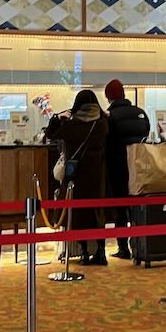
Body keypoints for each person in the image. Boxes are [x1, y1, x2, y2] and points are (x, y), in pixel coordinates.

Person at [44, 90, 109, 265]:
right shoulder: (103, 123)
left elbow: (50, 134)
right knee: (97, 213)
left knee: (78, 212)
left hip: (76, 174)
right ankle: (101, 251)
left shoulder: (72, 124)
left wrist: (57, 117)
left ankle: (85, 252)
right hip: (97, 175)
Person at [103, 79, 150, 261]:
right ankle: (139, 244)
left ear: (109, 97)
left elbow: (107, 142)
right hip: (139, 167)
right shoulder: (140, 113)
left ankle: (123, 247)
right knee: (137, 206)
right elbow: (147, 134)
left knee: (120, 207)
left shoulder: (110, 117)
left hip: (118, 166)